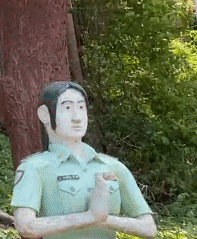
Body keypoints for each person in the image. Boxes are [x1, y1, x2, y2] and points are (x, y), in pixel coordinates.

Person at [11, 81, 156, 239]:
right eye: (67, 108)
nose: (77, 117)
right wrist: (89, 217)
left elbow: (148, 228)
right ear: (45, 115)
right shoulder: (35, 168)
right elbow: (26, 226)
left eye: (81, 108)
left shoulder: (112, 166)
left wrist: (104, 219)